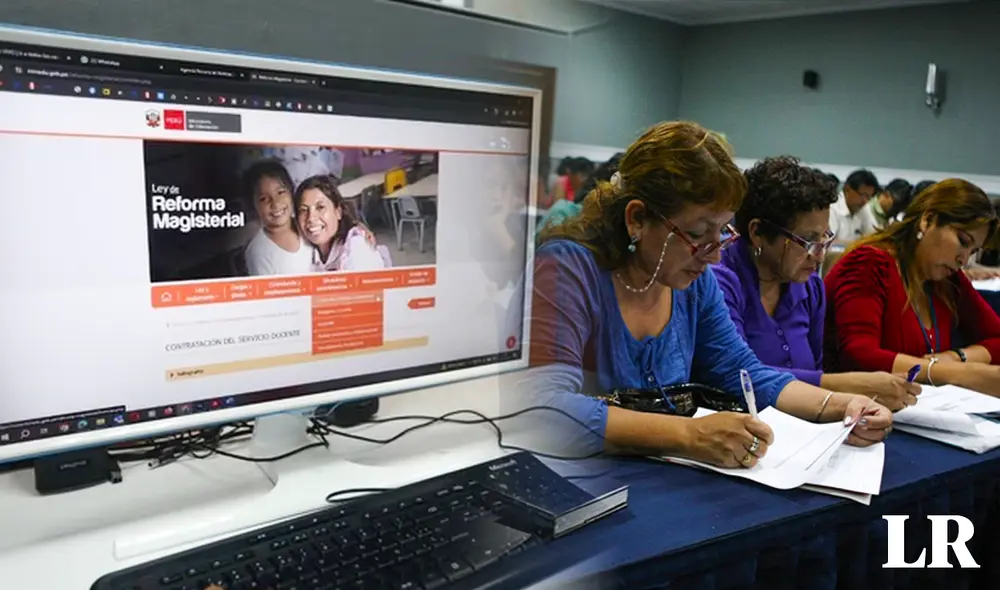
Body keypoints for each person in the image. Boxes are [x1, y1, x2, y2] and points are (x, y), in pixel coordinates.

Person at [525, 121, 891, 468]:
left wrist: (840, 405)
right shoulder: (569, 269)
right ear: (636, 219)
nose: (715, 255)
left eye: (722, 233)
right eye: (698, 234)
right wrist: (688, 434)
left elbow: (743, 372)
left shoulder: (692, 283)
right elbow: (544, 409)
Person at [714, 156, 920, 411]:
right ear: (757, 233)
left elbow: (814, 369)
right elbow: (737, 376)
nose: (820, 255)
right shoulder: (720, 281)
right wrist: (847, 386)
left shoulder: (809, 286)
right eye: (807, 241)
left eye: (825, 238)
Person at [825, 178, 1000, 396]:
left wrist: (957, 357)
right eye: (963, 241)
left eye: (972, 252)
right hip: (851, 407)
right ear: (928, 220)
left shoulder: (948, 280)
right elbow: (860, 355)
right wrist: (954, 373)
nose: (963, 260)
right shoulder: (870, 263)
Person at [294, 175, 388, 272]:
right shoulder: (304, 248)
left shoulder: (357, 248)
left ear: (338, 212)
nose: (311, 218)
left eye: (320, 207)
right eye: (303, 210)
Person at [241, 159, 315, 276]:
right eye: (263, 199)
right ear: (253, 206)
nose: (275, 203)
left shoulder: (305, 225)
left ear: (291, 193)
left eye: (280, 192)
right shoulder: (258, 253)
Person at [829, 169, 880, 243]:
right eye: (862, 195)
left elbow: (874, 237)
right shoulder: (832, 208)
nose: (865, 201)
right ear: (847, 189)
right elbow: (828, 243)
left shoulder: (864, 208)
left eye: (869, 197)